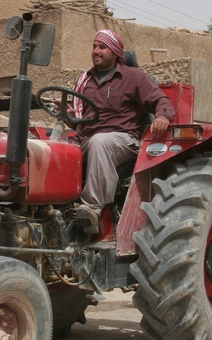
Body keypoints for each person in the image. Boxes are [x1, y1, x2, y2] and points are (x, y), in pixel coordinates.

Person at [72, 29, 175, 231]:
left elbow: (162, 100)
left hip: (124, 139)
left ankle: (92, 209)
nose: (96, 51)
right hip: (87, 138)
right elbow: (79, 120)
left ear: (115, 52)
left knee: (101, 142)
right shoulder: (86, 80)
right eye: (94, 46)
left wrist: (162, 116)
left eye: (102, 47)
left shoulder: (133, 76)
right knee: (52, 149)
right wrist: (68, 113)